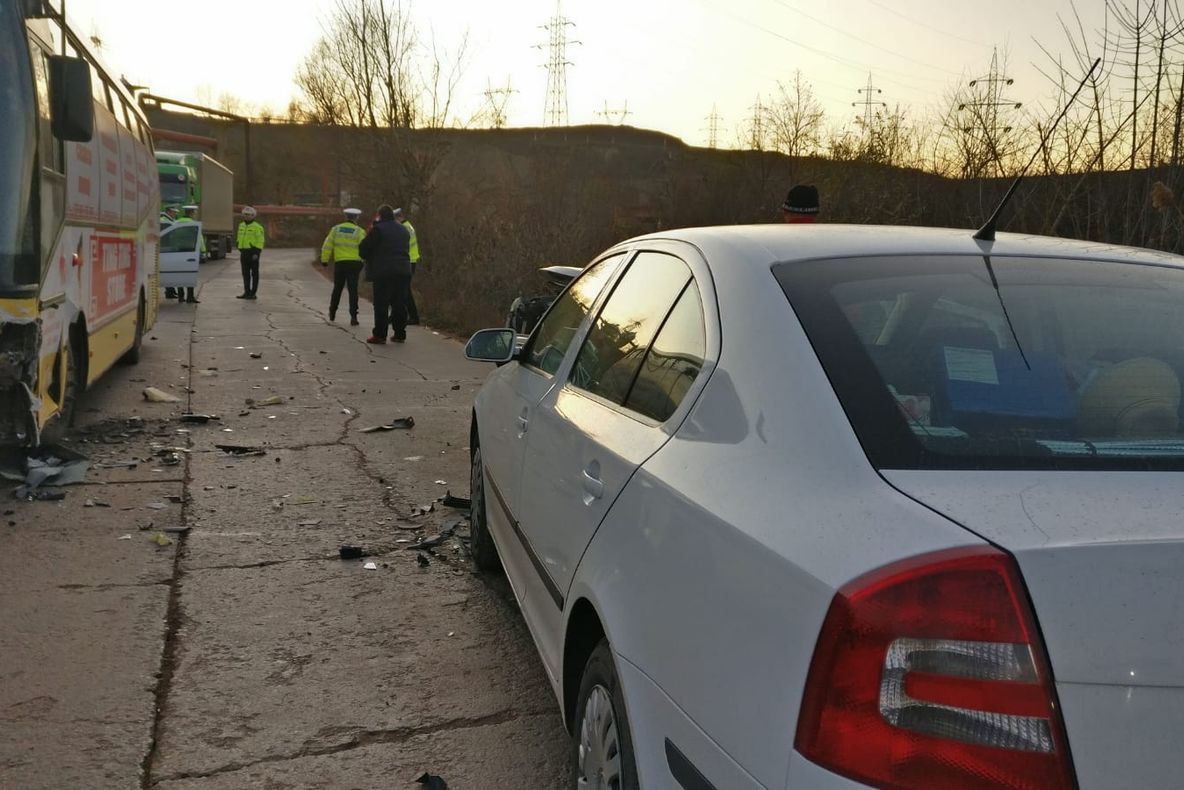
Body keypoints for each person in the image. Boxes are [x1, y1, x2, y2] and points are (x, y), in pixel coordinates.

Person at [358, 204, 412, 344]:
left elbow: (364, 249)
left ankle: (380, 335)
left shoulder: (378, 230)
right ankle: (400, 334)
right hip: (404, 270)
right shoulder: (403, 229)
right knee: (399, 303)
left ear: (379, 215)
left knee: (381, 303)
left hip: (384, 271)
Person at [320, 207, 365, 326]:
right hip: (355, 264)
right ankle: (354, 316)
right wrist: (364, 261)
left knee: (338, 288)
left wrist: (324, 260)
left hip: (340, 263)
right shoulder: (359, 231)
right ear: (357, 218)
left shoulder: (336, 229)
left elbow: (327, 245)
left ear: (345, 217)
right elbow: (365, 248)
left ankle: (332, 312)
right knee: (353, 290)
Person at [393, 207, 421, 325]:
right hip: (410, 260)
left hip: (407, 261)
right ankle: (398, 315)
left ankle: (413, 317)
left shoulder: (403, 228)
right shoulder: (409, 225)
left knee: (404, 290)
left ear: (399, 217)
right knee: (402, 289)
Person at [173, 205, 203, 303]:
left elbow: (171, 237)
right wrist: (203, 251)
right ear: (191, 213)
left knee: (179, 274)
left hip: (177, 252)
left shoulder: (176, 223)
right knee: (190, 274)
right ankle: (190, 297)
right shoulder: (193, 224)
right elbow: (200, 239)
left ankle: (181, 297)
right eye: (194, 213)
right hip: (190, 252)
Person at [236, 206, 265, 300]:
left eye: (248, 215)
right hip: (244, 252)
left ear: (253, 216)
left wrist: (256, 252)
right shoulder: (241, 225)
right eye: (244, 214)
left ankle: (253, 293)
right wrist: (238, 245)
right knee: (245, 273)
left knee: (254, 274)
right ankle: (247, 292)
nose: (246, 216)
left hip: (253, 253)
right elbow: (239, 237)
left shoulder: (258, 227)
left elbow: (260, 240)